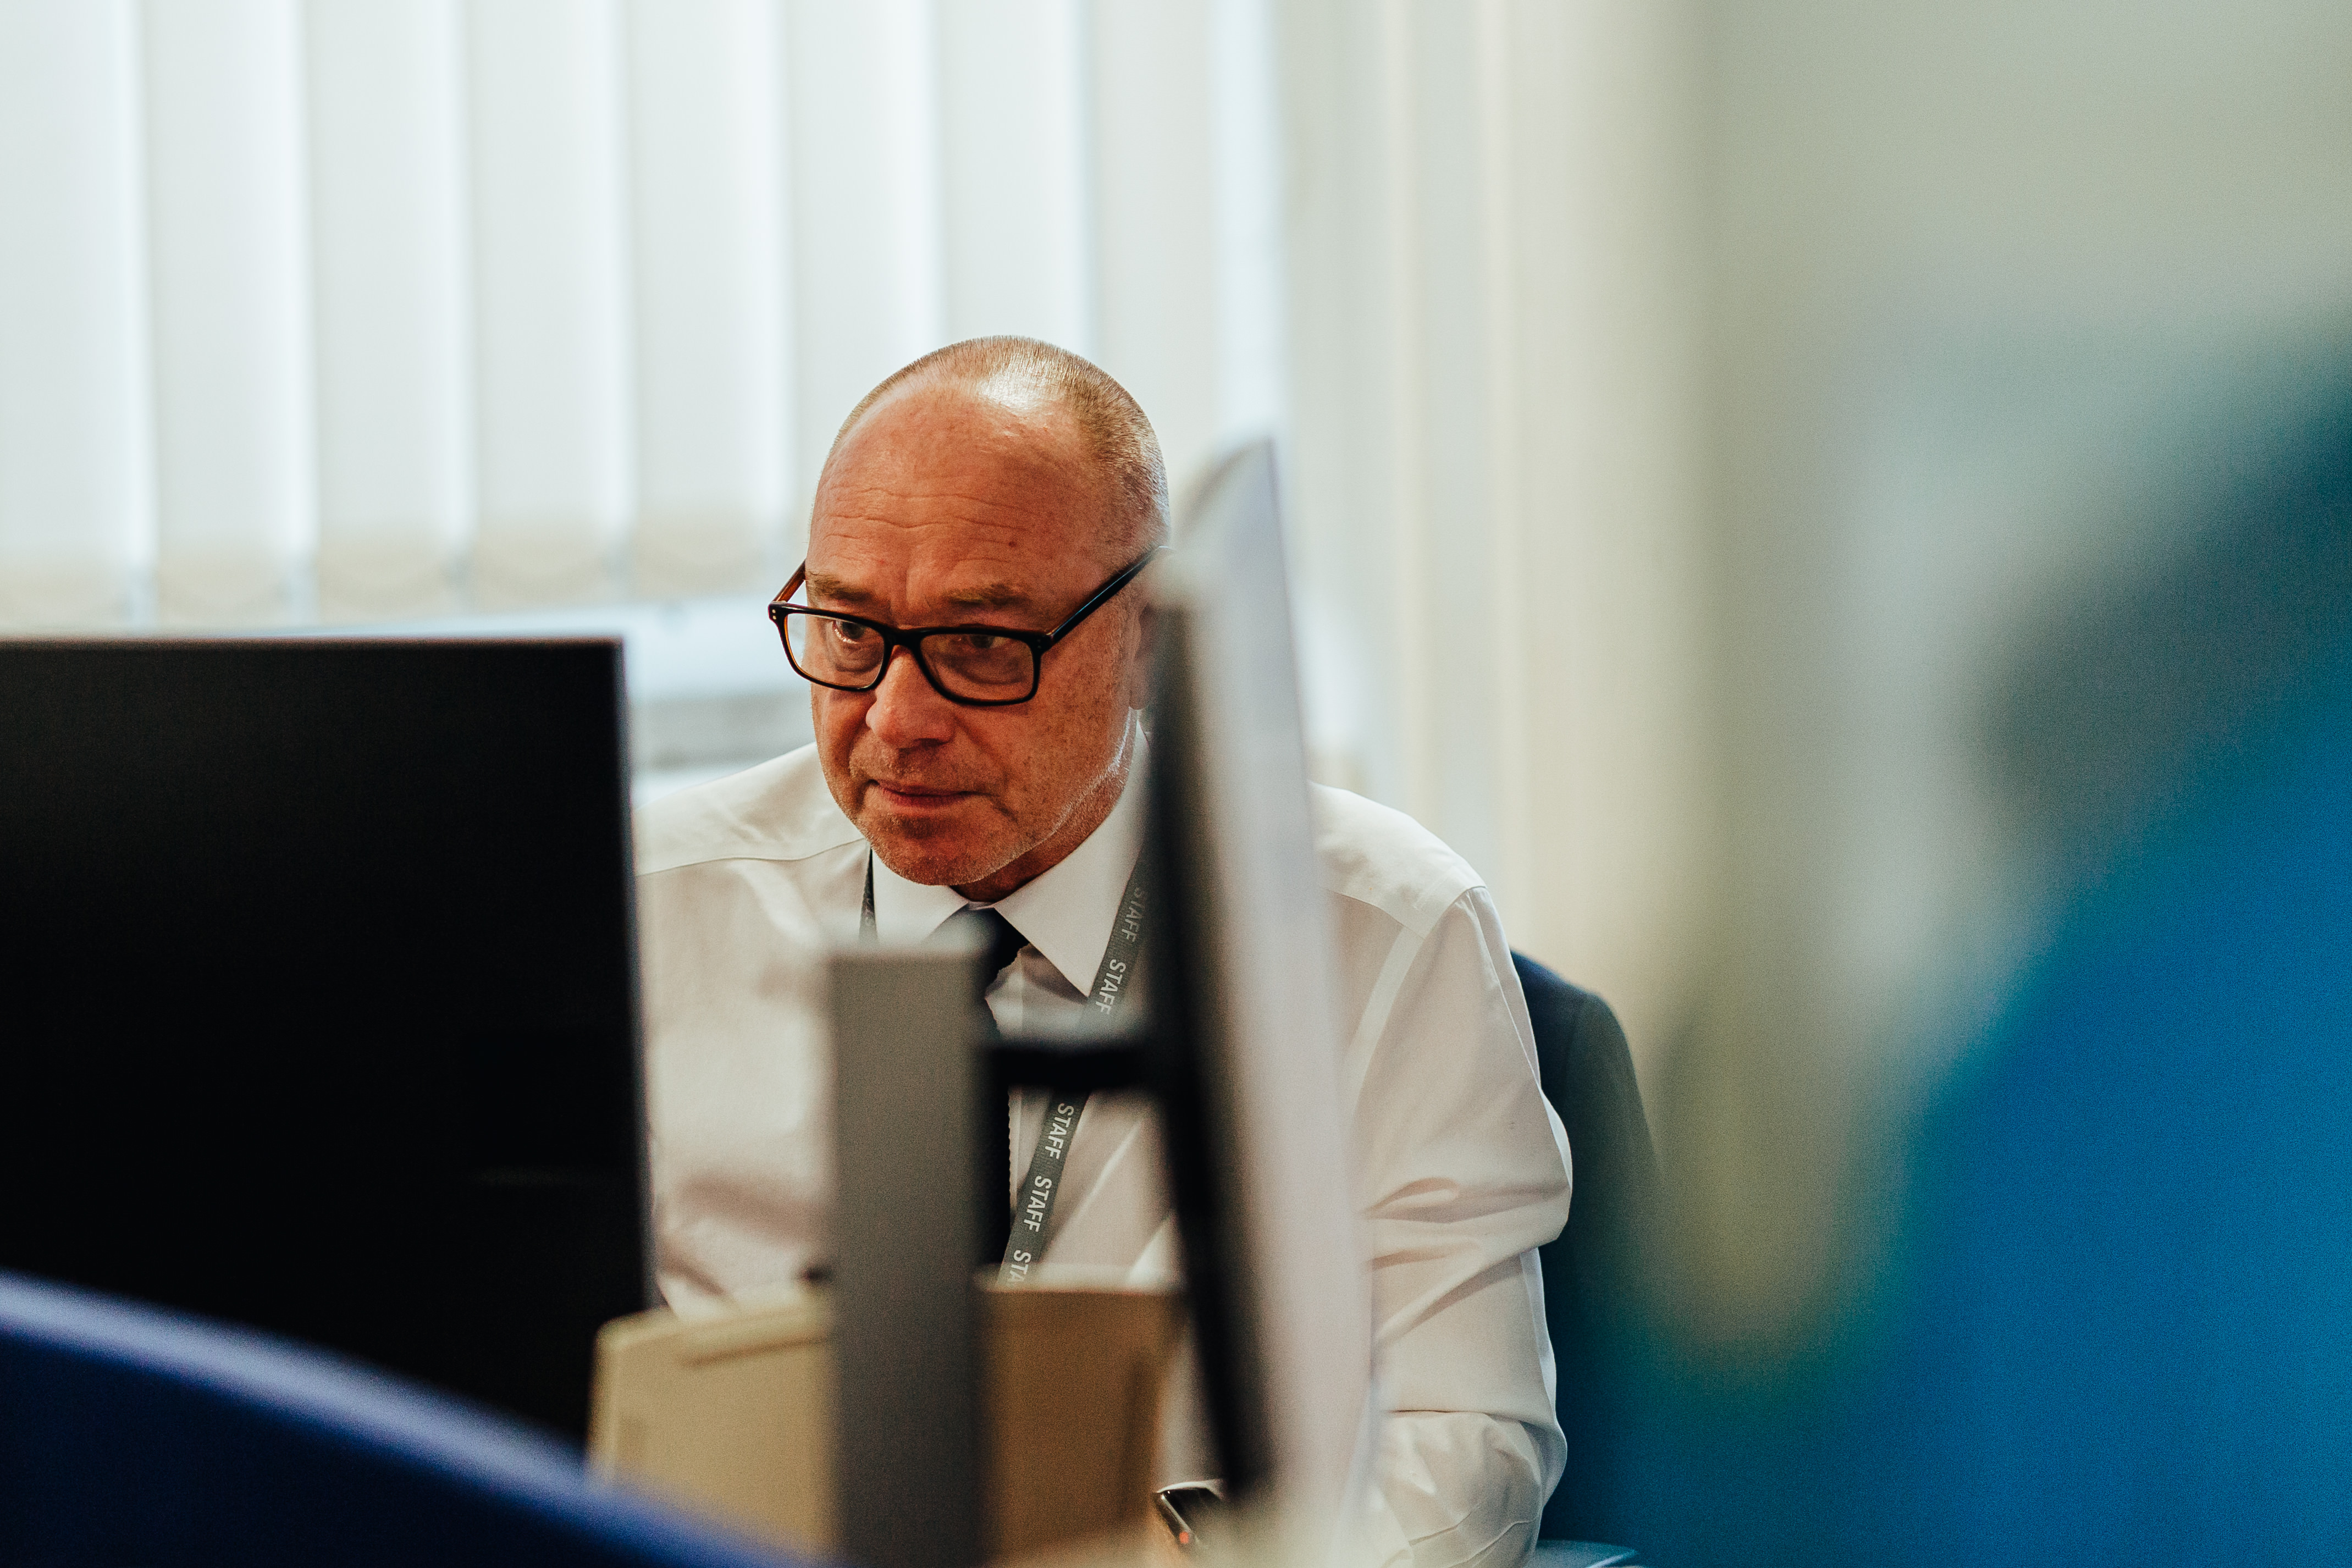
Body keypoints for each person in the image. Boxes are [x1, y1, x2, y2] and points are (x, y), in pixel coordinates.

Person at [634, 336, 1573, 1566]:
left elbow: (1469, 1450)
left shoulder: (1385, 933)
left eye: (980, 644)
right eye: (851, 631)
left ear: (1144, 639)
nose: (894, 721)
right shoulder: (653, 906)